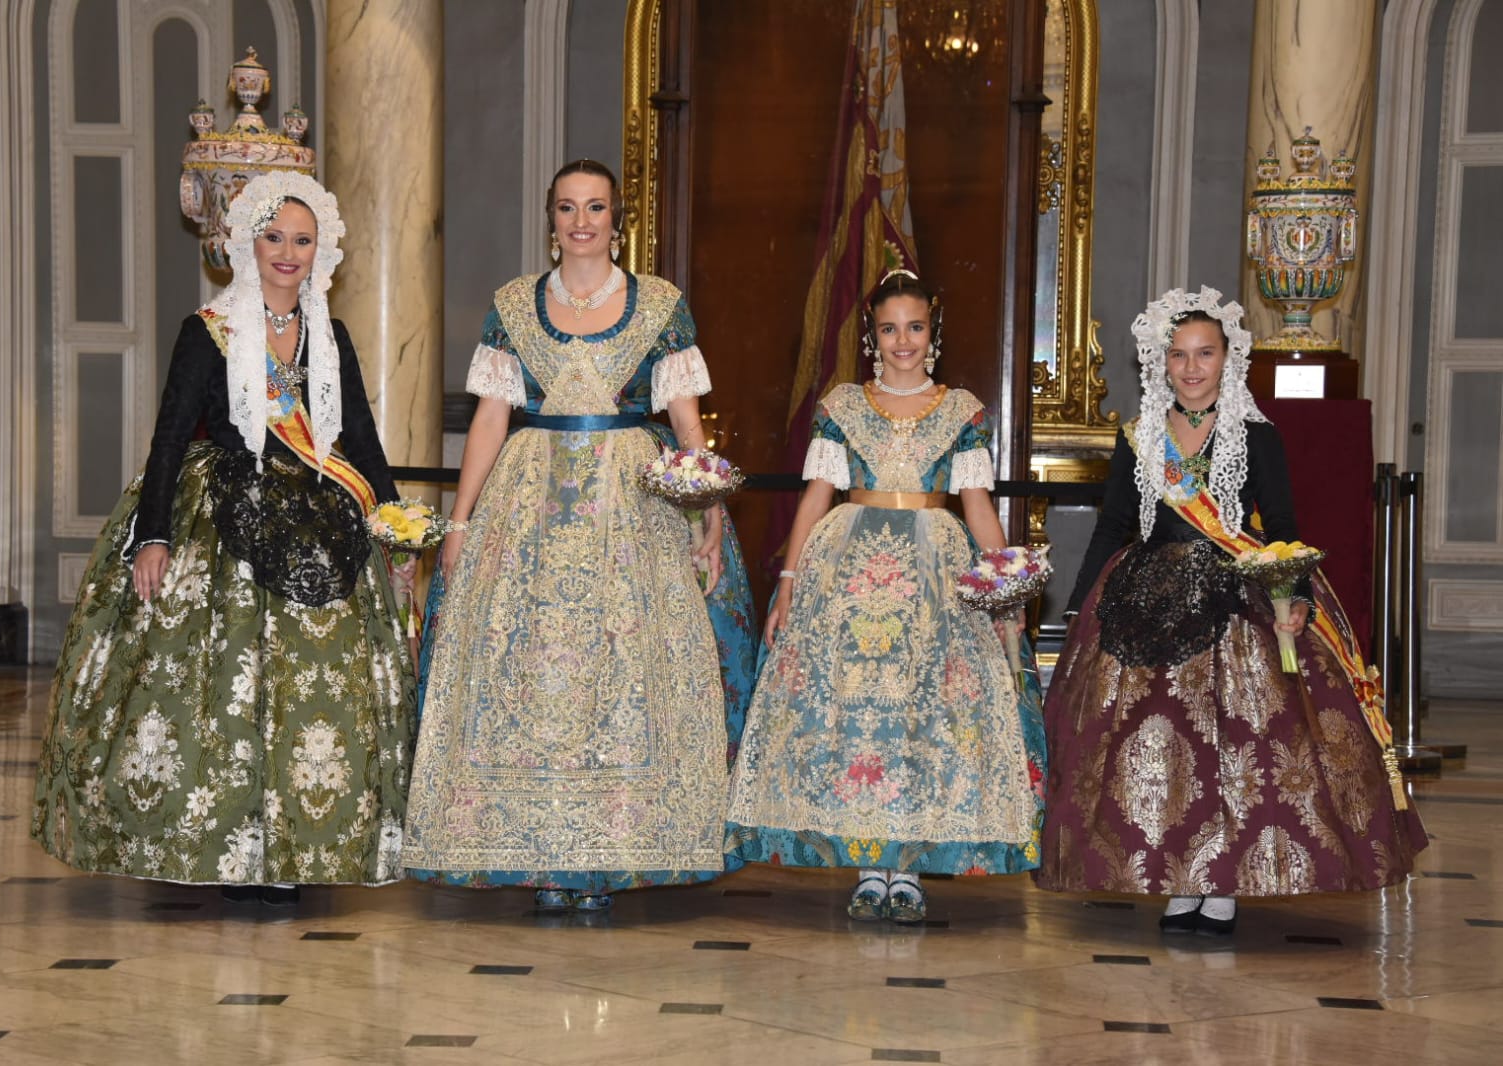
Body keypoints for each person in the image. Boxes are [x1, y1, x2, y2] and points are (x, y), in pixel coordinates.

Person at [31, 172, 414, 903]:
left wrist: (393, 522)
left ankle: (299, 848)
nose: (288, 253)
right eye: (274, 238)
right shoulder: (206, 330)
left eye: (302, 240)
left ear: (322, 250)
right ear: (248, 244)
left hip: (319, 526)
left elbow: (360, 436)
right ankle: (228, 848)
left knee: (314, 695)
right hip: (221, 516)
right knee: (224, 692)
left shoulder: (330, 336)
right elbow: (171, 436)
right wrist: (154, 535)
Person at [402, 159, 755, 911]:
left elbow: (685, 417)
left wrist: (709, 506)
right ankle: (537, 854)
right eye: (567, 207)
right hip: (528, 504)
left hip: (633, 501)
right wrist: (460, 520)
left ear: (616, 219)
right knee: (529, 665)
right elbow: (490, 420)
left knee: (627, 666)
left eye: (595, 207)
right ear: (551, 220)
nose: (581, 221)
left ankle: (612, 855)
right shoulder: (513, 305)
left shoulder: (659, 304)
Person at [1037, 286, 1426, 933]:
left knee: (1235, 746)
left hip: (1234, 599)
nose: (1191, 367)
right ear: (1160, 363)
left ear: (1227, 359)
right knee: (1160, 744)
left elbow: (1282, 526)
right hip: (1147, 601)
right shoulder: (1138, 438)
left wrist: (1292, 597)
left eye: (1205, 353)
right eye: (1179, 355)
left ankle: (1220, 885)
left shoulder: (1255, 436)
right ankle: (1178, 877)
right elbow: (1111, 528)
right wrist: (1081, 608)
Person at [723, 270, 1047, 924]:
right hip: (847, 572)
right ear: (872, 336)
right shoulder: (842, 407)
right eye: (889, 328)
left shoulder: (961, 410)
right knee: (854, 713)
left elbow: (978, 508)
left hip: (933, 576)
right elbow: (815, 499)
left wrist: (1003, 584)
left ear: (933, 333)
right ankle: (870, 868)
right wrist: (788, 583)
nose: (903, 340)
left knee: (920, 716)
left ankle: (909, 870)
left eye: (915, 327)